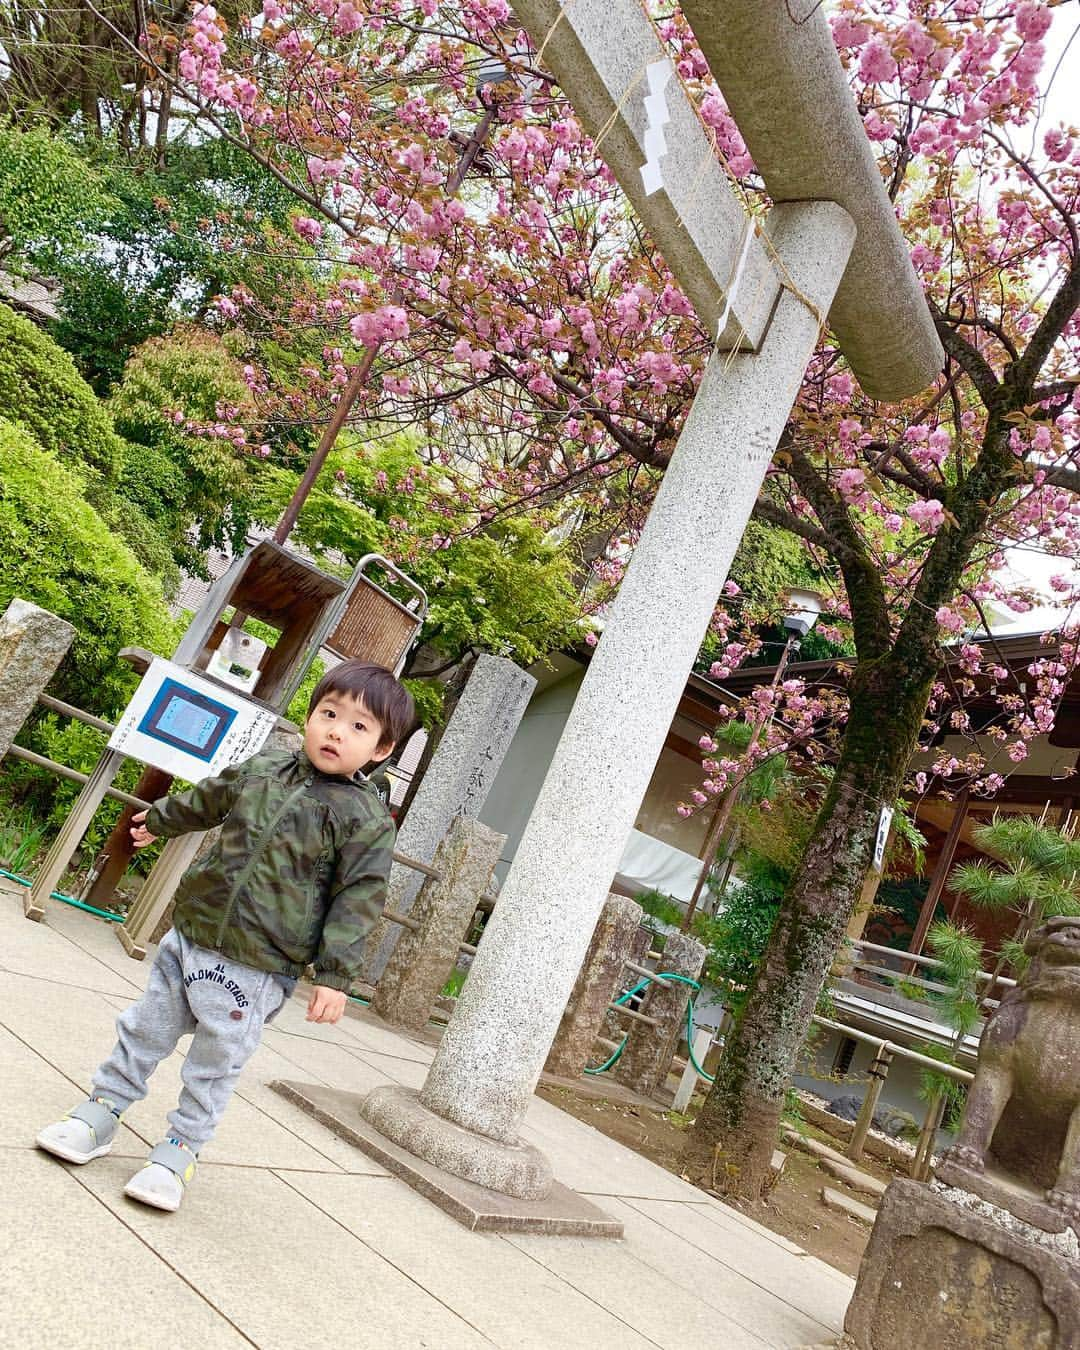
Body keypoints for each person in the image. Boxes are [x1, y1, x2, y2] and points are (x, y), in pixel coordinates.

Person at [36, 660, 414, 1212]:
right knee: (144, 1030)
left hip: (258, 965)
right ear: (309, 717)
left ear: (381, 750)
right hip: (193, 933)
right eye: (329, 714)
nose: (336, 731)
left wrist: (334, 977)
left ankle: (178, 1151)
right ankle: (100, 1112)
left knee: (215, 1063)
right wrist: (160, 819)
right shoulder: (262, 767)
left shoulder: (365, 821)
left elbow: (358, 900)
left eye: (359, 726)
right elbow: (209, 799)